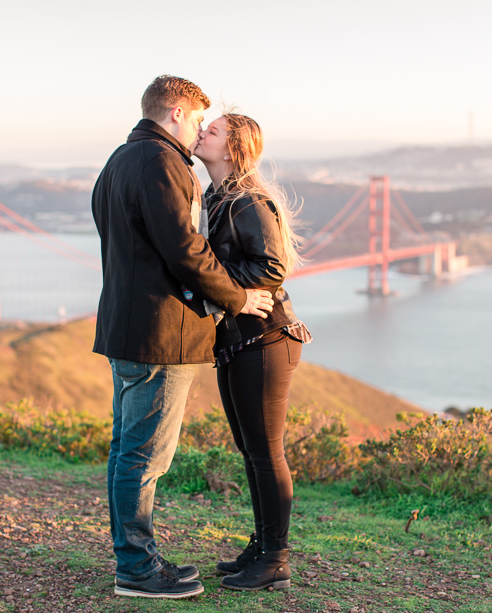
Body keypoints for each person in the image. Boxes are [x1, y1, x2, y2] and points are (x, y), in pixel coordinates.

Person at [91, 76, 275, 599]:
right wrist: (238, 298)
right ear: (175, 111)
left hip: (126, 328)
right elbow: (185, 250)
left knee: (127, 451)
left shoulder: (119, 160)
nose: (197, 131)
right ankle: (137, 570)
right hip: (162, 333)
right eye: (197, 119)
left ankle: (137, 558)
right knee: (146, 457)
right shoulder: (163, 162)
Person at [193, 112, 312, 591]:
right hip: (240, 341)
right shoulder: (218, 198)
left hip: (266, 340)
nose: (203, 132)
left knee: (266, 452)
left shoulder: (247, 202)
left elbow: (272, 269)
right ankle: (262, 546)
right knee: (251, 450)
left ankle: (276, 559)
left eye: (213, 131)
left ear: (234, 149)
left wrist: (214, 290)